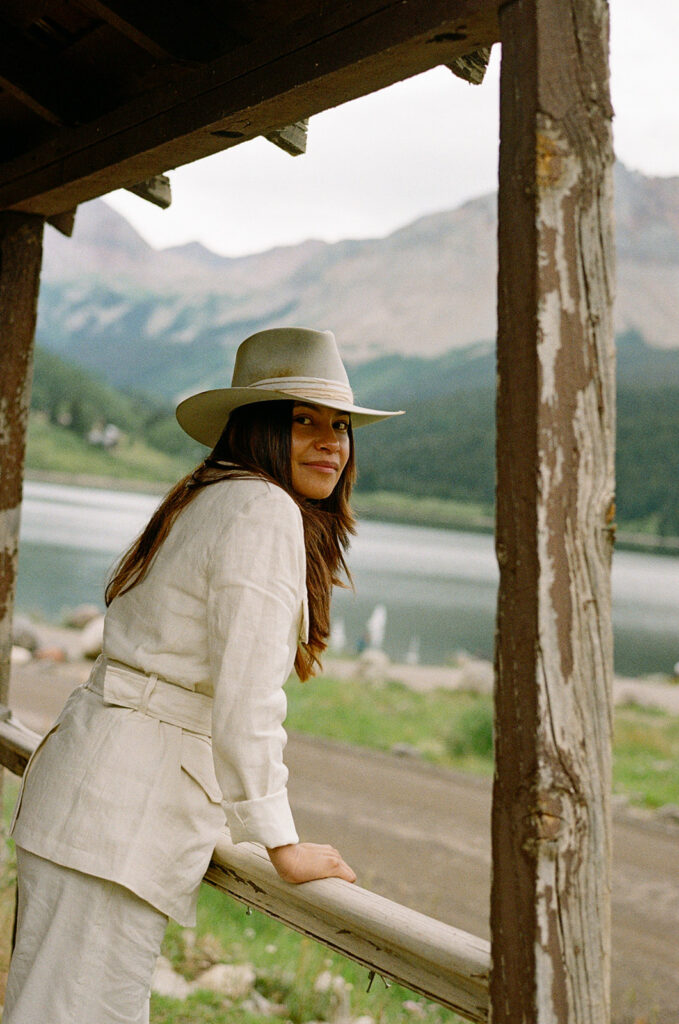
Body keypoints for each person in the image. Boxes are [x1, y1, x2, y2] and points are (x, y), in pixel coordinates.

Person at [4, 326, 402, 1024]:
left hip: (95, 799)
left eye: (339, 425)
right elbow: (247, 698)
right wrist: (280, 841)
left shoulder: (210, 493)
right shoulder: (264, 509)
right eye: (302, 420)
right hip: (119, 820)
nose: (330, 441)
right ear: (257, 428)